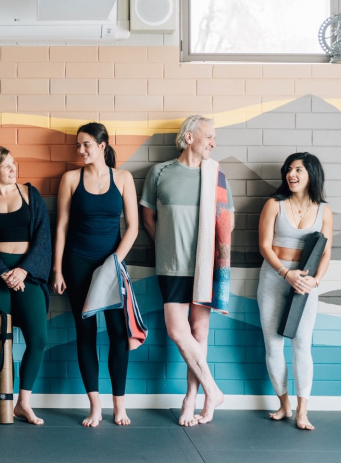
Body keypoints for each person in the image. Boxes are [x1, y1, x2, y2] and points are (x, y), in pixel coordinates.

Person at [140, 115, 229, 426]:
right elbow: (147, 217)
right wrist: (167, 245)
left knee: (199, 332)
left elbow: (226, 221)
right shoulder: (160, 172)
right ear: (189, 137)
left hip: (205, 266)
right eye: (209, 136)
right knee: (177, 331)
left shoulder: (216, 175)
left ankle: (192, 398)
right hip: (171, 265)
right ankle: (212, 389)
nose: (213, 143)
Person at [52, 123, 140, 427]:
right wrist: (57, 269)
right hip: (77, 264)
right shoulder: (70, 179)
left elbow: (133, 227)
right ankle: (95, 406)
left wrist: (115, 261)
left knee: (118, 333)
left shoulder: (124, 178)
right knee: (85, 333)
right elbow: (61, 226)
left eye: (86, 144)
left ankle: (119, 407)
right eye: (78, 145)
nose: (80, 150)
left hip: (112, 265)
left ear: (102, 146)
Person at [0, 146, 52, 425]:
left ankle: (23, 404)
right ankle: (4, 405)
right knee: (1, 340)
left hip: (28, 274)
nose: (13, 169)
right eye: (6, 165)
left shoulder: (30, 194)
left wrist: (24, 270)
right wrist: (3, 272)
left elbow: (44, 237)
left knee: (38, 339)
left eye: (13, 163)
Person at [257, 152, 333, 431]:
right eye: (289, 169)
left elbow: (326, 253)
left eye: (298, 170)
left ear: (312, 174)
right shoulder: (274, 204)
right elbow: (264, 246)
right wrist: (285, 273)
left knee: (302, 344)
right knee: (273, 345)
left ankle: (302, 411)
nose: (291, 174)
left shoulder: (324, 211)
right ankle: (284, 404)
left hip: (305, 284)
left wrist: (315, 281)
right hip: (274, 278)